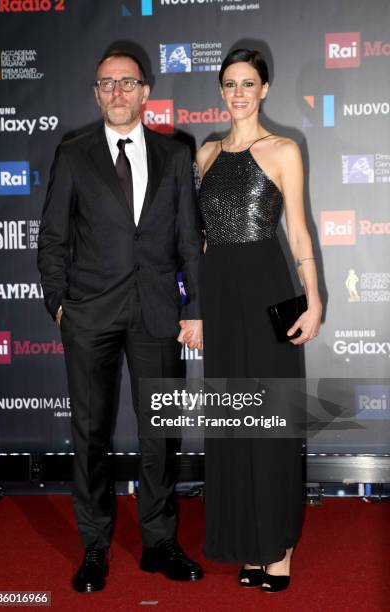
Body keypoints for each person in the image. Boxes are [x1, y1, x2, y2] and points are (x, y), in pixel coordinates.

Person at [37, 49, 203, 592]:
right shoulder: (74, 152)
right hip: (89, 315)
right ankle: (94, 547)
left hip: (157, 313)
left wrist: (195, 307)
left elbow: (188, 242)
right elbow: (54, 238)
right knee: (90, 435)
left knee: (160, 434)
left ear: (144, 91)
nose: (117, 92)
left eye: (127, 83)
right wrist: (59, 303)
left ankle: (159, 542)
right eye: (106, 83)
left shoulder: (175, 154)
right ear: (96, 92)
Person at [196, 48, 322, 593]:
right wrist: (194, 310)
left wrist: (313, 298)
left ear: (265, 89)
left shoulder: (283, 150)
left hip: (272, 292)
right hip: (220, 295)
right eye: (230, 84)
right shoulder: (202, 155)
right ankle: (248, 545)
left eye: (248, 83)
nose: (239, 93)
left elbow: (297, 232)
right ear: (221, 92)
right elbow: (199, 241)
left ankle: (279, 550)